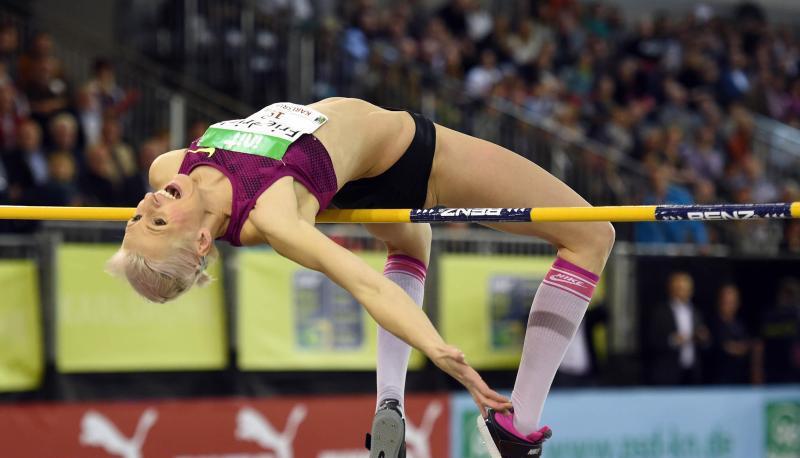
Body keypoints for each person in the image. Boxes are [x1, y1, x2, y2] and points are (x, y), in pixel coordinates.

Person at [107, 98, 615, 457]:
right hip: (414, 159)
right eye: (156, 222)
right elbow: (366, 286)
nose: (148, 204)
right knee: (593, 236)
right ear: (200, 244)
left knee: (408, 250)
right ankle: (518, 428)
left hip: (356, 180)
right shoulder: (273, 216)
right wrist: (441, 353)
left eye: (135, 219)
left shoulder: (168, 168)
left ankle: (389, 400)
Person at [646, 271, 711, 385]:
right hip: (668, 373)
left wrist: (703, 338)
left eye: (686, 288)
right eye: (679, 288)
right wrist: (673, 340)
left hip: (692, 372)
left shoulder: (696, 312)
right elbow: (651, 341)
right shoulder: (660, 313)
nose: (683, 291)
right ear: (671, 289)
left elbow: (705, 341)